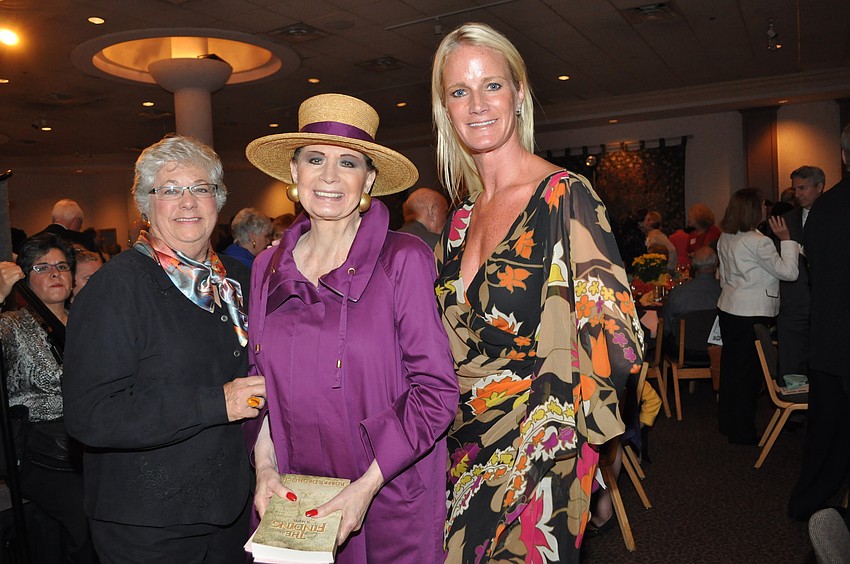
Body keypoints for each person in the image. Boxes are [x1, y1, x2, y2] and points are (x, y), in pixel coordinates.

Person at [430, 23, 643, 562]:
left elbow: (613, 342)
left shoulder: (564, 196)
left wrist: (593, 458)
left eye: (492, 85)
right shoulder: (456, 224)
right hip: (458, 453)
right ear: (445, 108)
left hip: (541, 458)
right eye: (459, 90)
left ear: (519, 94)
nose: (476, 103)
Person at [243, 93, 458, 563]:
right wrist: (264, 470)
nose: (330, 176)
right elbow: (259, 386)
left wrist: (365, 488)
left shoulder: (403, 260)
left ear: (370, 179)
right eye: (315, 159)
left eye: (349, 162)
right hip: (297, 499)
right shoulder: (265, 268)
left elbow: (436, 392)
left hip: (387, 493)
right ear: (294, 172)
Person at [62, 135, 265, 563]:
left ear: (218, 200)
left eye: (200, 188)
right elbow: (91, 414)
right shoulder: (116, 288)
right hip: (150, 525)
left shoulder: (236, 284)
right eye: (170, 190)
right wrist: (217, 403)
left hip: (232, 512)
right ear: (145, 204)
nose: (187, 202)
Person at [0, 233, 97, 563]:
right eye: (42, 267)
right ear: (25, 277)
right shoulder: (12, 326)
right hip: (37, 451)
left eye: (62, 266)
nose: (56, 274)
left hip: (88, 441)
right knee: (85, 514)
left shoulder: (87, 323)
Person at [788, 126, 850, 521]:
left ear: (843, 156)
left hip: (830, 338)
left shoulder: (823, 210)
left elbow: (818, 276)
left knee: (827, 437)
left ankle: (807, 505)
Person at [716, 188, 799, 445]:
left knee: (731, 370)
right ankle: (743, 432)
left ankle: (729, 423)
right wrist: (786, 239)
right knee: (748, 376)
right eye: (763, 205)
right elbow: (789, 272)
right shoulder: (758, 240)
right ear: (753, 209)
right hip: (751, 312)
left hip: (729, 307)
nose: (766, 209)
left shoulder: (726, 236)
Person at [776, 165, 824, 380]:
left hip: (826, 302)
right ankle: (793, 411)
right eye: (795, 189)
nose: (798, 194)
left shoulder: (834, 214)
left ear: (819, 187)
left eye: (803, 188)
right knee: (792, 361)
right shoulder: (785, 219)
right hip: (793, 303)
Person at [662, 246, 721, 343]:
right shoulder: (724, 291)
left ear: (693, 265)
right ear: (716, 265)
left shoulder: (678, 292)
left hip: (682, 349)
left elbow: (666, 327)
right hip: (716, 350)